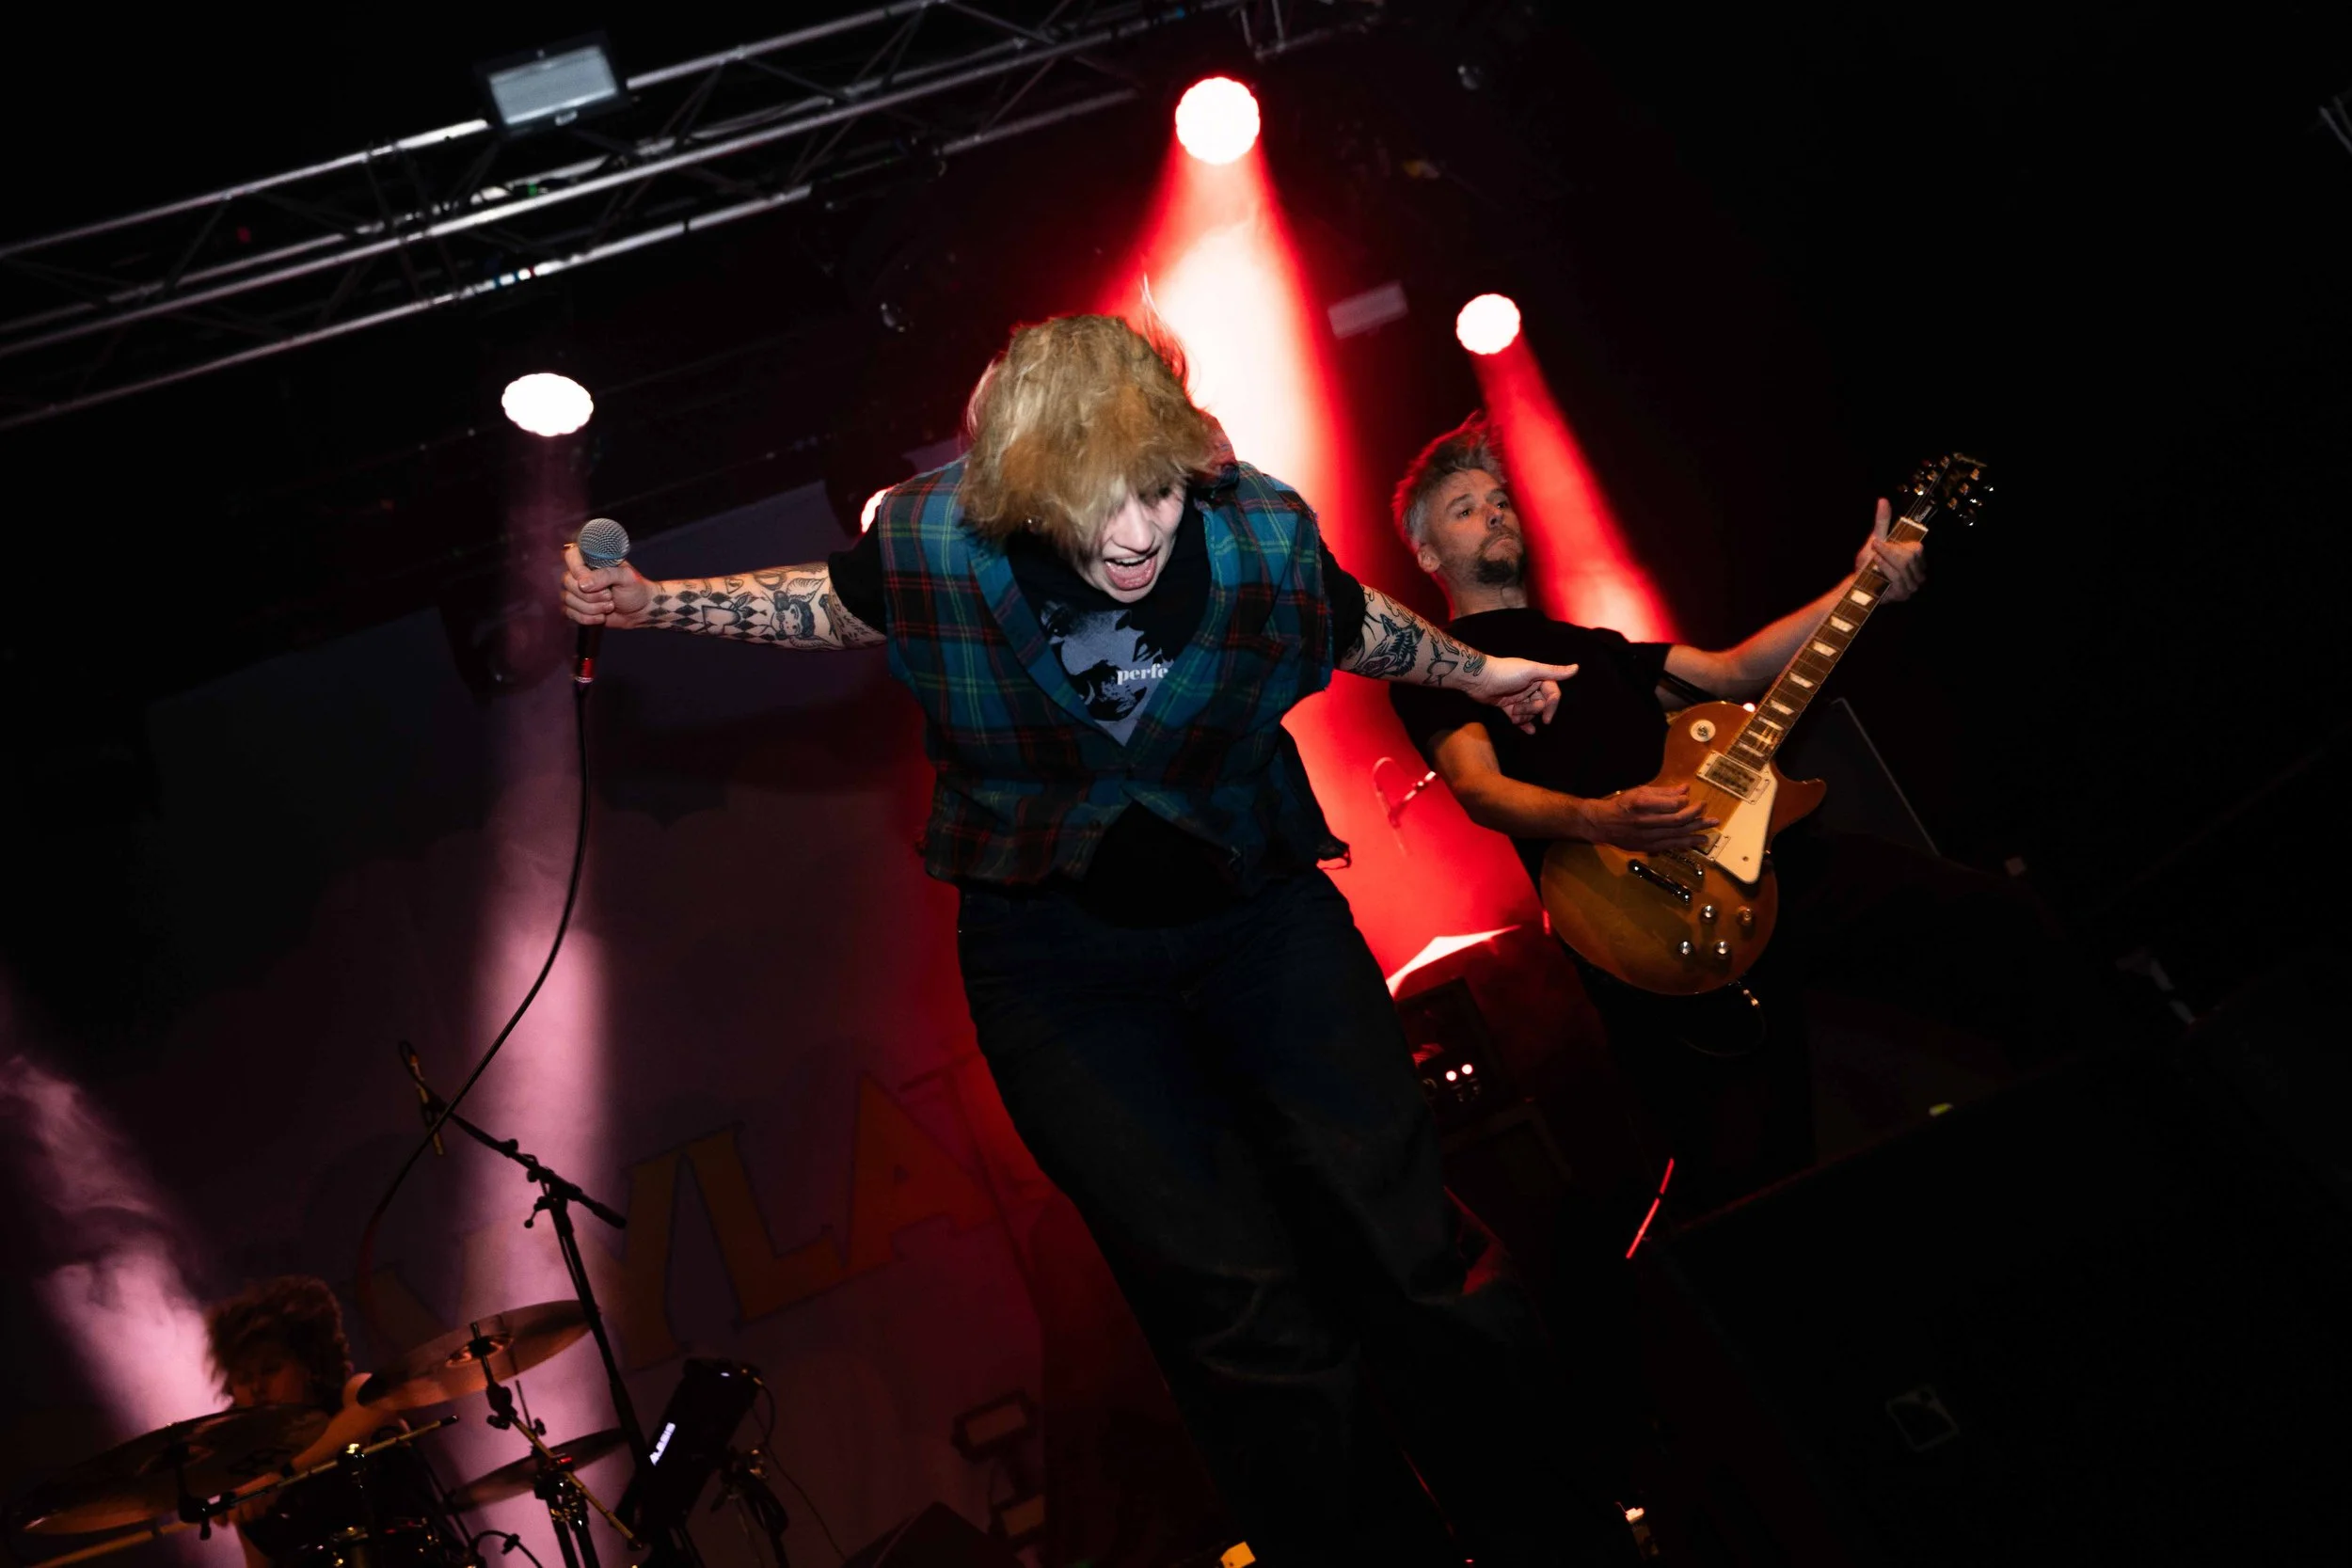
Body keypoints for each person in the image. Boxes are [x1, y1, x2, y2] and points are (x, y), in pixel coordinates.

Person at [561, 315, 1636, 1565]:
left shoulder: (1256, 525)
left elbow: (1355, 626)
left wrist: (1481, 672)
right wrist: (654, 602)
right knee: (1236, 1313)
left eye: (1156, 495)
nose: (1133, 534)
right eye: (1094, 511)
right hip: (1058, 970)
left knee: (1410, 1253)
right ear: (1014, 491)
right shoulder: (933, 533)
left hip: (1257, 914)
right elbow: (829, 603)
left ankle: (1560, 1541)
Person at [1386, 412, 2127, 1215]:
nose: (1495, 511)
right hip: (1647, 930)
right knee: (1751, 1175)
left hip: (1770, 869)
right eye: (1466, 508)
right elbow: (1478, 789)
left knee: (2004, 928)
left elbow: (1733, 667)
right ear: (1427, 555)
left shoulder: (1590, 644)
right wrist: (1602, 818)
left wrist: (1864, 583)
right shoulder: (1440, 671)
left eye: (1499, 499)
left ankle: (2127, 1115)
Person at [207, 1276, 443, 1568]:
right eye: (243, 1380)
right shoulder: (251, 1479)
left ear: (307, 1365)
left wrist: (277, 1479)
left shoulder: (352, 1396)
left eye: (271, 1369)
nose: (257, 1388)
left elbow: (381, 1406)